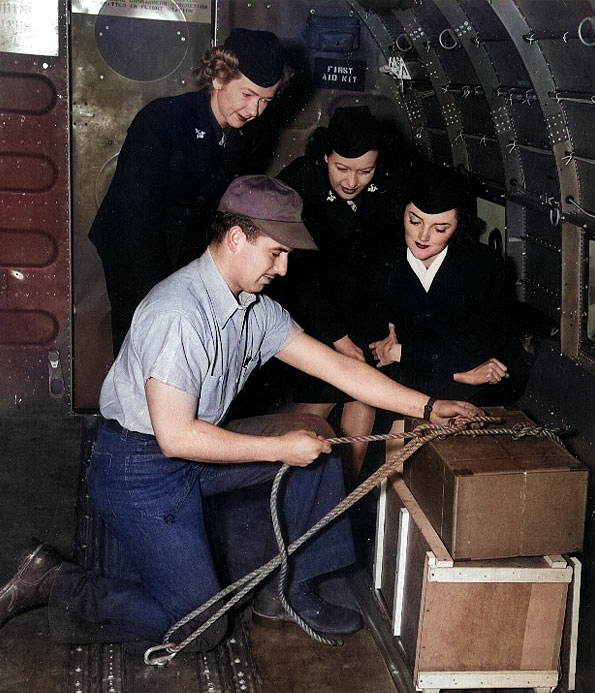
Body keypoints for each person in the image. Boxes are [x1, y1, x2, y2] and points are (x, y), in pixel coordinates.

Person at [0, 176, 481, 650]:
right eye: (277, 252)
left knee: (316, 437)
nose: (285, 268)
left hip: (195, 450)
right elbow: (175, 438)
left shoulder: (254, 309)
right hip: (139, 468)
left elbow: (340, 369)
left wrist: (429, 406)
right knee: (201, 627)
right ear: (236, 238)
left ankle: (288, 590)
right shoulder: (180, 313)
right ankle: (54, 582)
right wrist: (278, 449)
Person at [89, 27, 290, 354]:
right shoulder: (164, 119)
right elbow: (134, 217)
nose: (255, 111)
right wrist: (157, 296)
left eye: (265, 101)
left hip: (183, 247)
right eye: (248, 95)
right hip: (134, 248)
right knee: (145, 344)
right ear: (220, 77)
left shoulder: (244, 135)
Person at [265, 105, 419, 485]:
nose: (353, 181)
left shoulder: (393, 183)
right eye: (342, 169)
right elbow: (297, 277)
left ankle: (345, 490)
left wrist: (394, 323)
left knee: (363, 391)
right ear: (325, 156)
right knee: (318, 396)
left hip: (367, 301)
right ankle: (290, 487)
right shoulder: (297, 183)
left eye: (365, 171)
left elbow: (398, 258)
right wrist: (337, 338)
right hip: (312, 303)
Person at [370, 162, 532, 407]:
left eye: (440, 228)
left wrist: (401, 352)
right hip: (427, 381)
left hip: (471, 387)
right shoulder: (383, 261)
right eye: (415, 221)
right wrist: (460, 374)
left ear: (458, 226)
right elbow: (375, 347)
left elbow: (479, 350)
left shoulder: (485, 266)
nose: (423, 237)